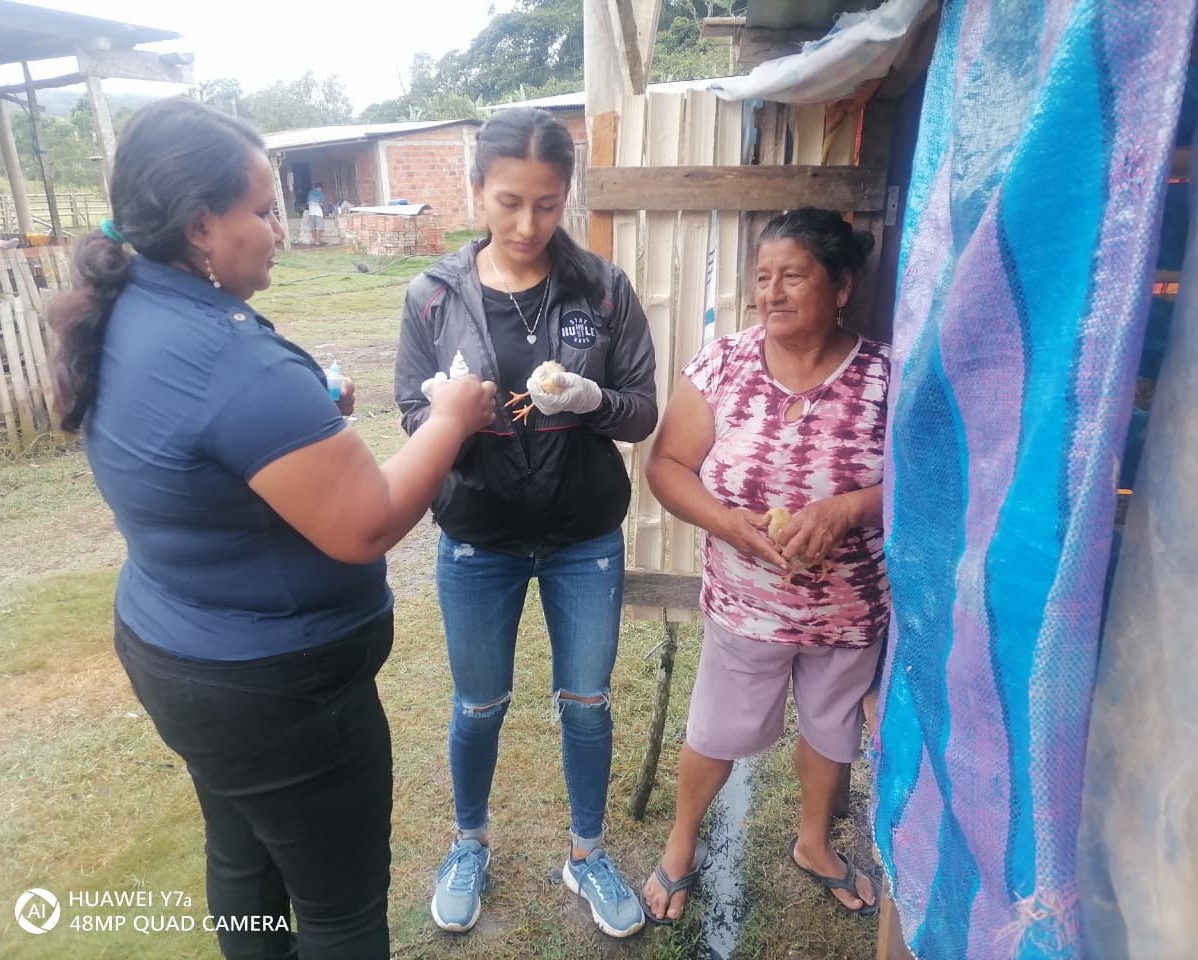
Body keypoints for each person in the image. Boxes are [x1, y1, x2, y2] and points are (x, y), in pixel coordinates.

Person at [46, 97, 497, 960]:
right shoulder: (229, 355)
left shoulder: (131, 309)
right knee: (339, 909)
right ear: (200, 226)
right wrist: (450, 419)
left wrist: (307, 419)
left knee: (243, 857)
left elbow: (200, 452)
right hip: (279, 691)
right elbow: (364, 524)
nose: (279, 232)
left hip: (181, 651)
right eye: (261, 211)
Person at [393, 106, 658, 939]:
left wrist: (592, 398)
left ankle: (587, 852)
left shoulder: (603, 289)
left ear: (566, 196)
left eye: (547, 204)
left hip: (584, 537)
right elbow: (410, 411)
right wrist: (450, 415)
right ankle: (468, 843)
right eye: (509, 202)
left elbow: (642, 411)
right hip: (479, 537)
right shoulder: (434, 295)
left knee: (587, 703)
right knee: (478, 705)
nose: (527, 224)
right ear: (477, 190)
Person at [639, 208, 889, 924]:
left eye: (793, 276)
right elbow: (667, 465)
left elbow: (928, 480)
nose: (771, 293)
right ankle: (681, 844)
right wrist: (727, 524)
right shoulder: (724, 364)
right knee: (715, 731)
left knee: (831, 729)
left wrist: (845, 510)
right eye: (762, 277)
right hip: (746, 602)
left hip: (848, 607)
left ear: (841, 287)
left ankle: (814, 843)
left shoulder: (886, 376)